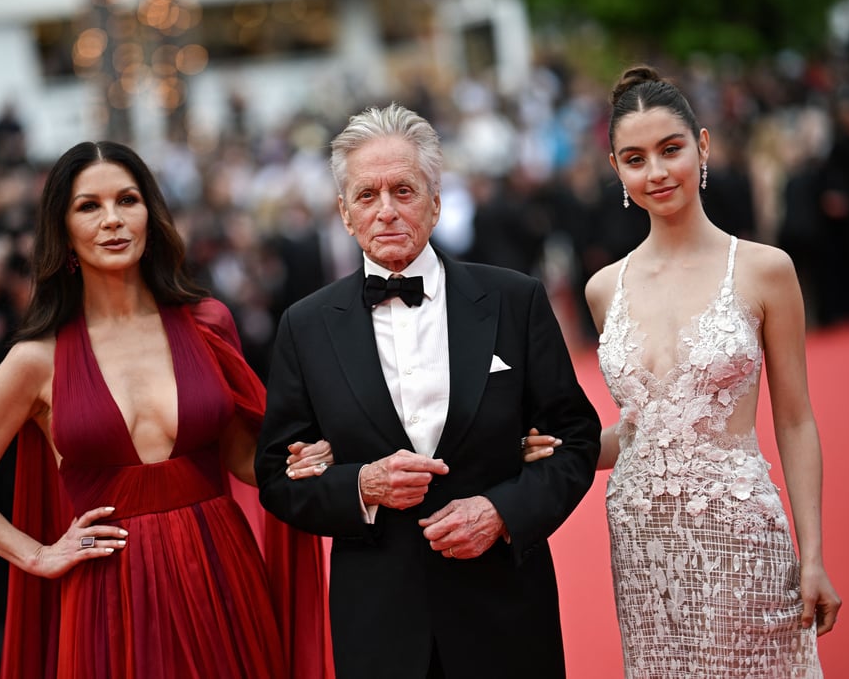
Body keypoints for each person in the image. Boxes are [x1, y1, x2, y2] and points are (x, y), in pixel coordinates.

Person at [0, 141, 329, 679]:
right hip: (106, 595)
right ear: (64, 230)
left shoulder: (207, 323)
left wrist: (296, 460)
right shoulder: (34, 360)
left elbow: (242, 458)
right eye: (88, 206)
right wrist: (38, 555)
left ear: (150, 215)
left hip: (222, 574)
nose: (112, 220)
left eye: (127, 200)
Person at [255, 102, 602, 679]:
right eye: (367, 195)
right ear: (344, 213)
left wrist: (500, 511)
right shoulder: (305, 325)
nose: (386, 211)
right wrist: (360, 485)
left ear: (436, 201)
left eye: (404, 190)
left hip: (505, 618)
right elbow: (276, 475)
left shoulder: (514, 301)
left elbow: (574, 441)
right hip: (381, 624)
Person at [583, 65, 841, 677]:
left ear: (702, 146)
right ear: (616, 169)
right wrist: (549, 449)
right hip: (644, 547)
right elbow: (642, 430)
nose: (657, 172)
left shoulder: (764, 270)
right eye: (635, 158)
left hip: (743, 537)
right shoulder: (603, 290)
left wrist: (813, 557)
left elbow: (796, 421)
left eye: (671, 149)